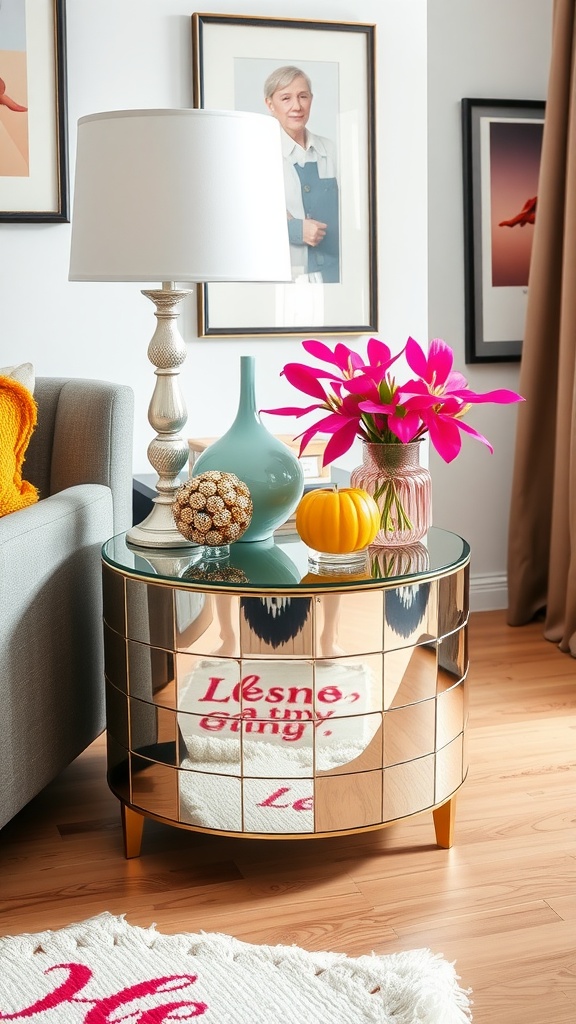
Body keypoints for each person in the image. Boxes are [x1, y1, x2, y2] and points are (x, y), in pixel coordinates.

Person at [264, 65, 340, 283]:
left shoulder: (331, 150)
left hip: (337, 276)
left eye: (303, 96)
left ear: (311, 100)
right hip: (287, 276)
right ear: (270, 104)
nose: (296, 106)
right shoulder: (260, 154)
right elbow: (250, 216)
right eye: (286, 98)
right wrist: (294, 228)